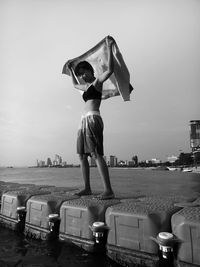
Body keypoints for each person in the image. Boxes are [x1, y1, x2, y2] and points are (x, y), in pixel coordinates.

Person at [67, 36, 115, 200]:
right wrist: (71, 70)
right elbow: (74, 85)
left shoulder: (97, 83)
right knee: (81, 155)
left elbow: (110, 71)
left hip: (93, 119)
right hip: (83, 122)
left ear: (90, 71)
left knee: (95, 154)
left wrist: (109, 48)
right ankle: (87, 187)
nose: (82, 76)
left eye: (83, 73)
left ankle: (108, 190)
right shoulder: (85, 87)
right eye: (80, 74)